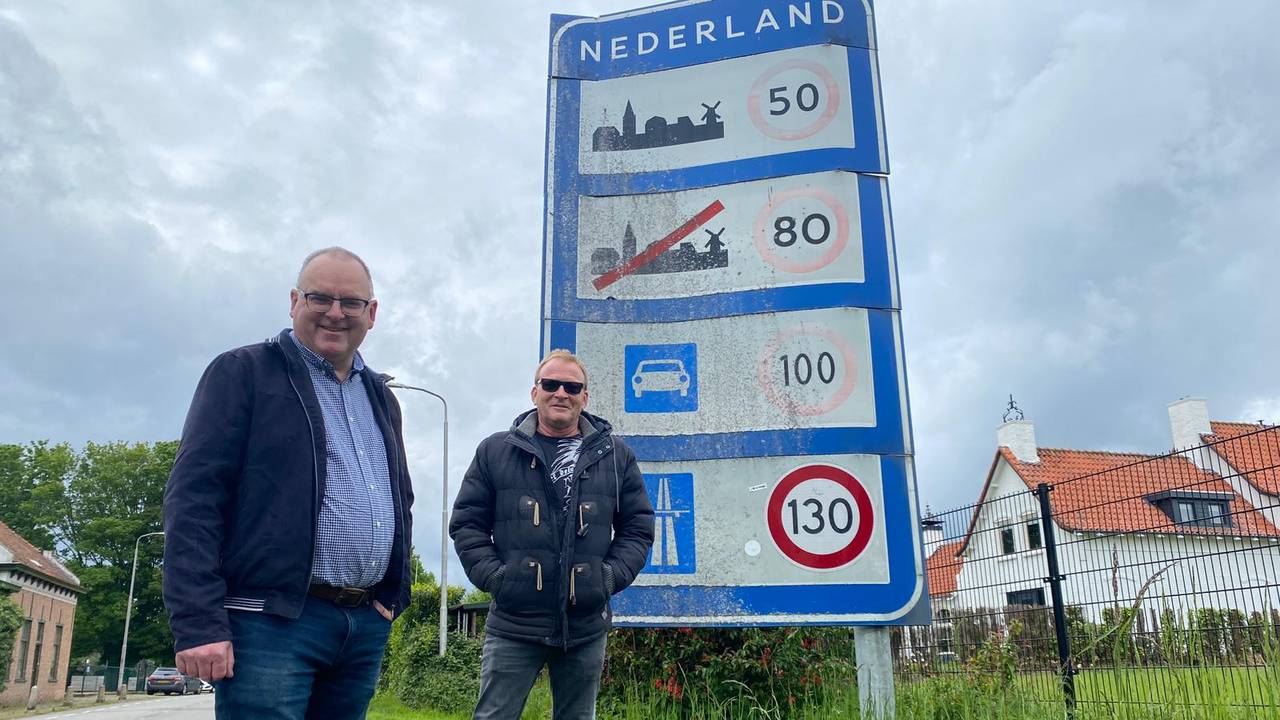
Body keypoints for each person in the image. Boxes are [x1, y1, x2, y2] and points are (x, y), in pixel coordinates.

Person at [162, 247, 414, 719]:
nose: (335, 313)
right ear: (295, 301)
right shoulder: (243, 372)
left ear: (371, 313)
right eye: (321, 297)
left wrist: (393, 595)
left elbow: (400, 499)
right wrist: (198, 621)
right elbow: (194, 500)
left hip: (361, 625)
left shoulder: (381, 396)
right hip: (270, 622)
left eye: (351, 302)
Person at [450, 350, 655, 720]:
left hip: (585, 626)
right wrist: (499, 579)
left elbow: (638, 527)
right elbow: (467, 523)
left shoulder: (616, 456)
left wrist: (606, 578)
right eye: (551, 384)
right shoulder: (495, 451)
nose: (561, 392)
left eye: (572, 386)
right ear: (535, 392)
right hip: (514, 621)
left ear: (584, 397)